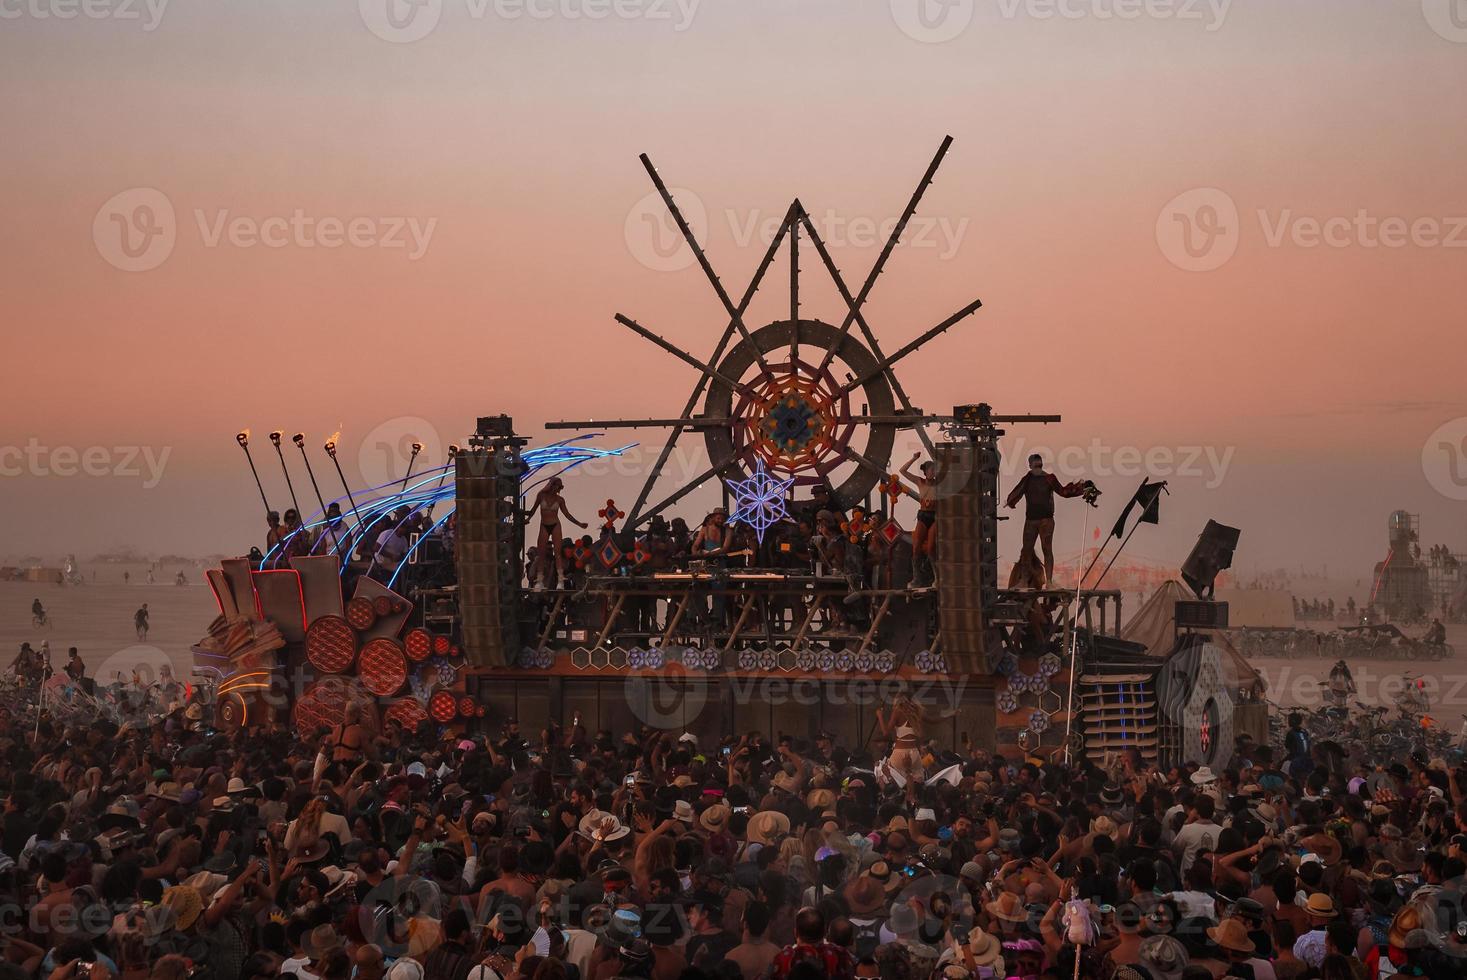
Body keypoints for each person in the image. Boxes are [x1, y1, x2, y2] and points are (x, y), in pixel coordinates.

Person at [1004, 453, 1094, 586]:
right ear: (1030, 466)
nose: (1037, 468)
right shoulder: (1030, 479)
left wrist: (1081, 488)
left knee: (1041, 550)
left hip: (1044, 520)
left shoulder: (1047, 478)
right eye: (1036, 466)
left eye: (1038, 465)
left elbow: (1063, 492)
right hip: (1034, 520)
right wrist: (1010, 501)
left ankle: (1048, 581)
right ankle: (1026, 581)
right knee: (1028, 550)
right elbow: (1018, 492)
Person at [526, 478, 588, 589]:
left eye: (559, 487)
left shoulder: (560, 500)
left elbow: (567, 514)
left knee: (557, 552)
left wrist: (579, 524)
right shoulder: (541, 495)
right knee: (541, 553)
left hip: (555, 525)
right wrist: (528, 518)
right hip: (544, 525)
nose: (557, 489)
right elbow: (534, 509)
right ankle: (539, 580)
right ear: (551, 485)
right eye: (556, 486)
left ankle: (560, 580)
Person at [899, 453, 939, 587]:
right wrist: (913, 458)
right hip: (923, 516)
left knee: (931, 547)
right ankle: (917, 579)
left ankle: (937, 578)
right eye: (931, 470)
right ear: (926, 471)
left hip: (934, 517)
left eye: (935, 470)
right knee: (916, 548)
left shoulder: (939, 484)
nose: (933, 472)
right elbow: (902, 471)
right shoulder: (920, 481)